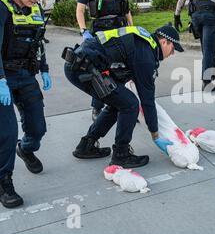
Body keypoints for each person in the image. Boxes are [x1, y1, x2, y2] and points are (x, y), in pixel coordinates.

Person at [63, 24, 183, 168]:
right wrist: (155, 135)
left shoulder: (144, 42)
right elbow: (147, 99)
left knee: (120, 102)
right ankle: (121, 154)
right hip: (82, 68)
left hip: (81, 64)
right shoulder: (145, 55)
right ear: (164, 42)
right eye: (173, 48)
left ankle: (86, 145)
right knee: (130, 104)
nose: (172, 53)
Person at [0, 0, 53, 208]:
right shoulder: (1, 8)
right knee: (7, 133)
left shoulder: (36, 10)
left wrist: (44, 69)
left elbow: (39, 42)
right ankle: (4, 182)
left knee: (38, 127)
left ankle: (27, 148)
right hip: (3, 77)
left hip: (26, 76)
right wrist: (0, 79)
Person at [76, 0, 133, 121]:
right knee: (101, 70)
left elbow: (126, 9)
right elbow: (80, 8)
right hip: (100, 30)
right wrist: (83, 31)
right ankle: (97, 107)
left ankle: (120, 103)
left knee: (122, 67)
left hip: (118, 28)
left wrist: (132, 28)